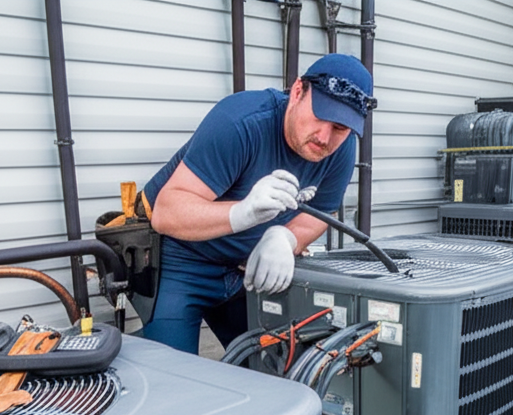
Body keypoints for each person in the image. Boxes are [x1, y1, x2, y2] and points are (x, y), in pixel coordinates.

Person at [138, 53, 375, 353]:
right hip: (184, 258)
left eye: (340, 128)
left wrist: (285, 237)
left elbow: (322, 212)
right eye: (320, 116)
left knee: (276, 366)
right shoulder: (240, 122)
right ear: (298, 92)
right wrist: (242, 212)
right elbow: (167, 212)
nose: (325, 137)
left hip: (245, 268)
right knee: (174, 376)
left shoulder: (341, 148)